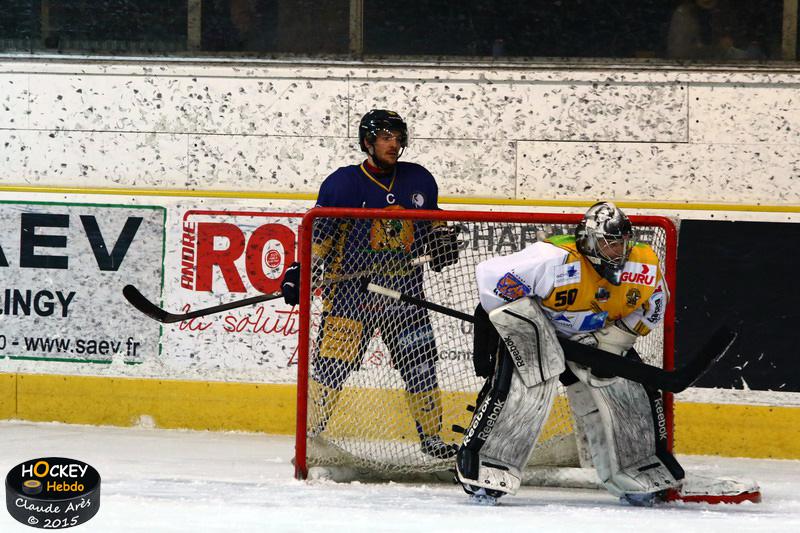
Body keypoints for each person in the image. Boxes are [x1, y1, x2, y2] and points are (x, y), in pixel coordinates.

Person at [455, 201, 758, 505]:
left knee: (626, 390)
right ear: (588, 240)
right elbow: (491, 280)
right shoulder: (552, 259)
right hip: (539, 330)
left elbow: (654, 305)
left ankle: (638, 471)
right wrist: (524, 327)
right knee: (527, 390)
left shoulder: (641, 265)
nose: (618, 251)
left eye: (622, 243)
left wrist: (614, 340)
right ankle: (486, 470)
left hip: (595, 335)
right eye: (609, 243)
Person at [281, 110, 460, 460]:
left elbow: (434, 223)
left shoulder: (419, 179)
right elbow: (320, 237)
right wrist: (303, 269)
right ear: (368, 142)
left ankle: (432, 439)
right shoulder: (343, 183)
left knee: (421, 366)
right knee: (332, 368)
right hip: (350, 297)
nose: (393, 143)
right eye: (385, 137)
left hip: (405, 295)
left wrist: (441, 242)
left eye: (397, 137)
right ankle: (310, 436)